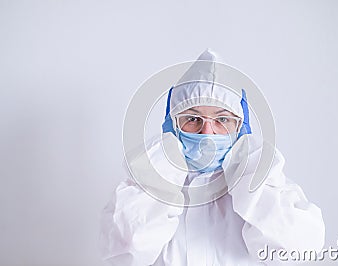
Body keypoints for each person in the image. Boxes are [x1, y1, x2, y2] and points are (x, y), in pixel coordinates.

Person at [99, 49, 325, 265]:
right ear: (172, 125)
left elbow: (298, 250)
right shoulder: (149, 189)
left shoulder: (263, 187)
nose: (207, 133)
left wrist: (249, 174)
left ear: (241, 127)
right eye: (193, 119)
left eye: (223, 120)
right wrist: (162, 170)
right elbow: (125, 253)